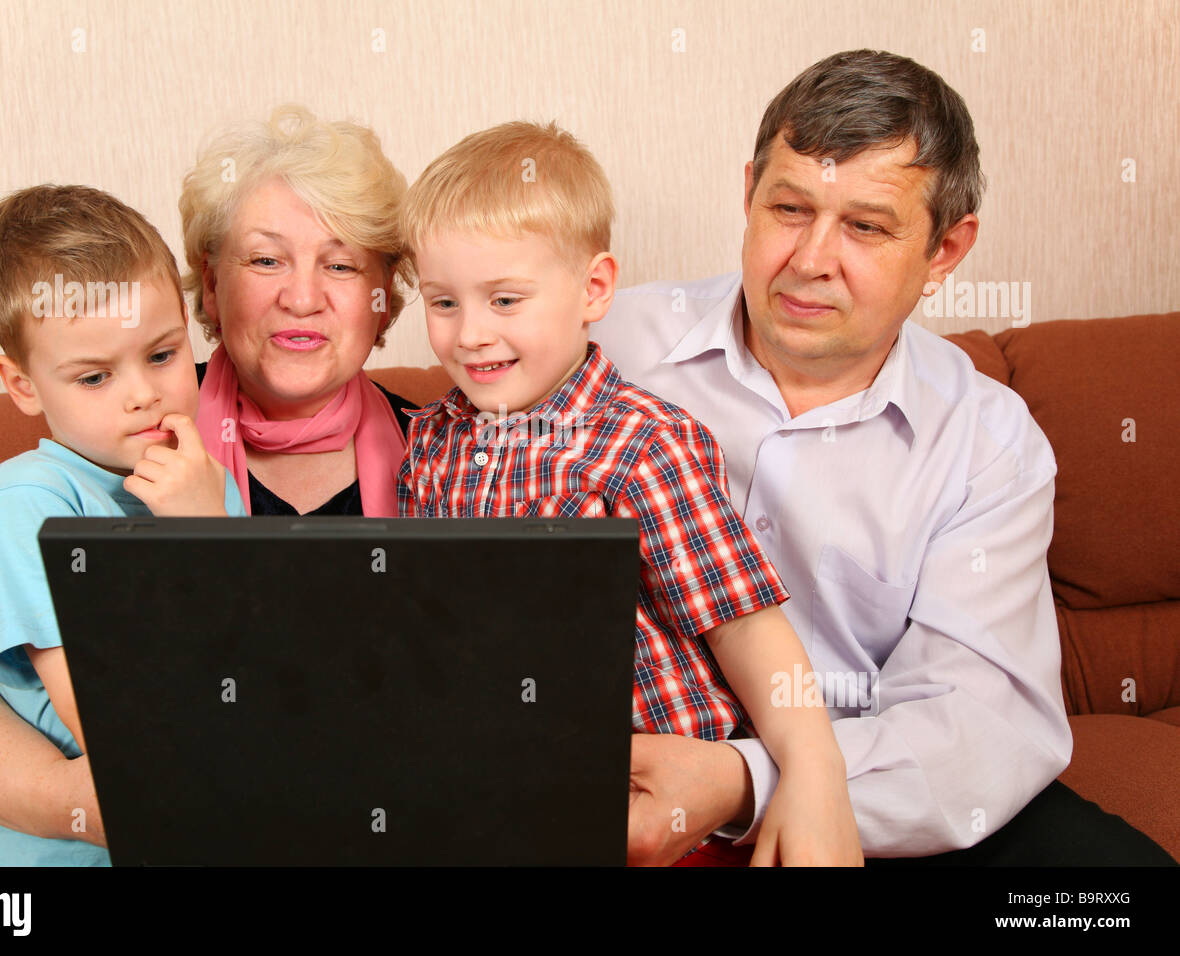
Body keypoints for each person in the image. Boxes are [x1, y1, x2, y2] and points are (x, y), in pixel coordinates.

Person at [603, 49, 1176, 865]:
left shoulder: (987, 439)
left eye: (866, 227)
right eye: (790, 208)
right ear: (748, 194)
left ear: (945, 252)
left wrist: (749, 779)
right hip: (629, 766)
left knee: (1113, 900)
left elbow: (980, 722)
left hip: (877, 785)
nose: (809, 261)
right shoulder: (607, 343)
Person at [0, 106, 417, 864]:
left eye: (341, 263)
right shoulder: (117, 454)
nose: (303, 296)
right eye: (266, 261)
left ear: (383, 293)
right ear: (208, 284)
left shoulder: (451, 457)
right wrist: (76, 803)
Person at [396, 121, 862, 865]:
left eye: (505, 300)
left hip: (665, 806)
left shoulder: (642, 444)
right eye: (443, 303)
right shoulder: (429, 443)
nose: (470, 334)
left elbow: (747, 627)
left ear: (593, 288)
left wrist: (813, 775)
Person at [0, 185, 248, 865]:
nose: (143, 393)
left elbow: (252, 676)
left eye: (162, 354)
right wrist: (203, 545)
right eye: (93, 378)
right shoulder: (24, 509)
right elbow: (115, 732)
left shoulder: (203, 483)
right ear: (22, 384)